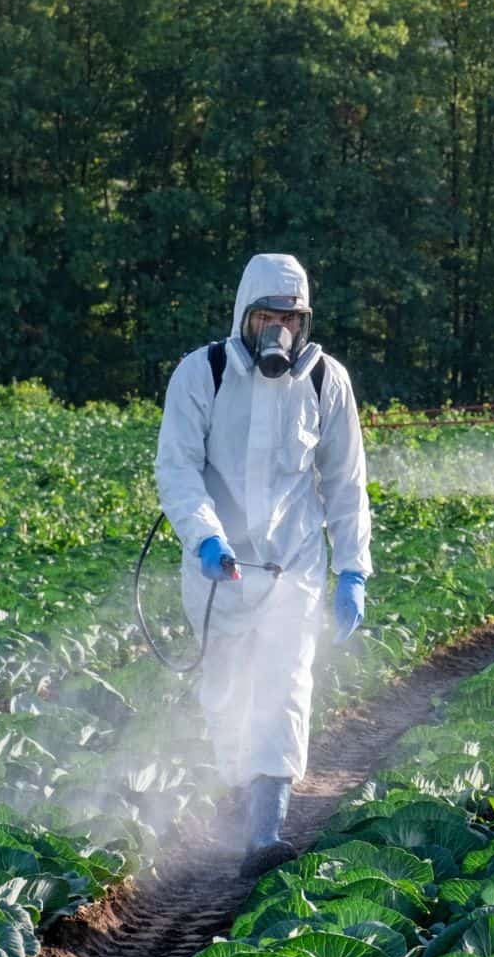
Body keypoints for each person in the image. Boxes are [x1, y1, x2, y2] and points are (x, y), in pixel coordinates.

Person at [155, 252, 372, 877]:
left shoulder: (326, 382)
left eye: (290, 320)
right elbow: (178, 468)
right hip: (219, 567)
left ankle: (264, 830)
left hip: (294, 568)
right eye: (266, 319)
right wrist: (204, 539)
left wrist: (352, 568)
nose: (278, 333)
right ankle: (234, 793)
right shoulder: (204, 374)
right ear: (245, 316)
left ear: (303, 323)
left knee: (284, 686)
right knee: (225, 694)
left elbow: (346, 481)